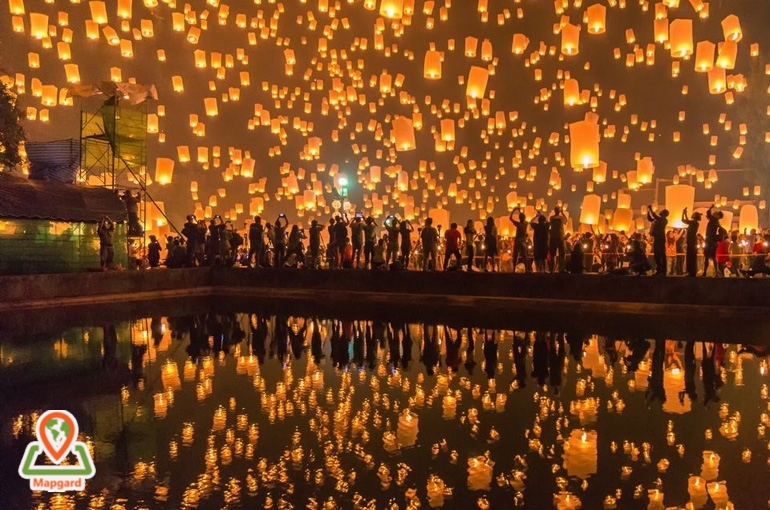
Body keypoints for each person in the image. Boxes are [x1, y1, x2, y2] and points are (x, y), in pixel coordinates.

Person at [647, 205, 669, 276]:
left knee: (661, 255)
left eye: (662, 212)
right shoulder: (658, 219)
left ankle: (662, 270)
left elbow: (654, 216)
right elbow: (650, 219)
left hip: (660, 239)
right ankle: (659, 270)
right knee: (657, 255)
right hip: (656, 238)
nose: (660, 212)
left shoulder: (663, 220)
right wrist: (648, 212)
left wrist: (651, 209)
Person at [703, 205, 722, 277]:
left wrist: (711, 207)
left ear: (718, 216)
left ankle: (705, 272)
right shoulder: (717, 222)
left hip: (709, 241)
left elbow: (708, 213)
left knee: (707, 257)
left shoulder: (713, 220)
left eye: (716, 213)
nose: (714, 213)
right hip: (713, 242)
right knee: (713, 258)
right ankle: (717, 273)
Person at [682, 208, 701, 277]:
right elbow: (687, 221)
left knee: (690, 257)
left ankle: (691, 272)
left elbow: (684, 220)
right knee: (692, 257)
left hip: (691, 242)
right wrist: (684, 213)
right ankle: (692, 272)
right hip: (692, 241)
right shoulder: (695, 223)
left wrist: (684, 213)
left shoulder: (693, 223)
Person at [509, 207, 530, 272]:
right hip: (523, 241)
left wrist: (514, 211)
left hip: (518, 241)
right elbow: (522, 216)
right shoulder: (526, 223)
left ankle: (513, 269)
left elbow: (510, 218)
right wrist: (519, 211)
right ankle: (526, 269)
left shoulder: (518, 224)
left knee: (515, 255)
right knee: (524, 256)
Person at [548, 206, 567, 273]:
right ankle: (558, 269)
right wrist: (562, 212)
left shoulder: (552, 218)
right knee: (559, 254)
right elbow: (566, 220)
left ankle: (554, 269)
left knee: (555, 254)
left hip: (556, 236)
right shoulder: (558, 218)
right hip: (558, 237)